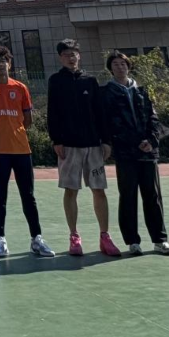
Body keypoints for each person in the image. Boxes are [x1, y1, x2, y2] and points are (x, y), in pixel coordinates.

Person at [0, 45, 54, 258]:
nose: (1, 64)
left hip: (21, 150)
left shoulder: (20, 88)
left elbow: (27, 119)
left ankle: (36, 238)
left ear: (9, 64)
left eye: (4, 60)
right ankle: (0, 239)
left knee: (28, 195)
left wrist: (14, 130)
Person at [46, 39, 121, 257]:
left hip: (93, 146)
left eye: (74, 54)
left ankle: (105, 236)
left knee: (99, 190)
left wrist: (106, 141)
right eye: (66, 54)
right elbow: (53, 113)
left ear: (79, 56)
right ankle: (74, 236)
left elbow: (100, 112)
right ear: (60, 58)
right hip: (68, 146)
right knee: (71, 190)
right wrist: (56, 140)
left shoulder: (90, 80)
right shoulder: (55, 81)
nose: (71, 58)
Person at [100, 50, 169, 256]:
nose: (120, 67)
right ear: (110, 69)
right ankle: (132, 242)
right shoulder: (106, 93)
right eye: (115, 64)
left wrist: (151, 140)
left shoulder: (141, 91)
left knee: (153, 195)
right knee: (128, 196)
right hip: (125, 152)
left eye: (123, 64)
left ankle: (160, 240)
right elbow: (110, 123)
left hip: (148, 152)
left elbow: (153, 119)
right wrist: (132, 142)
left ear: (128, 66)